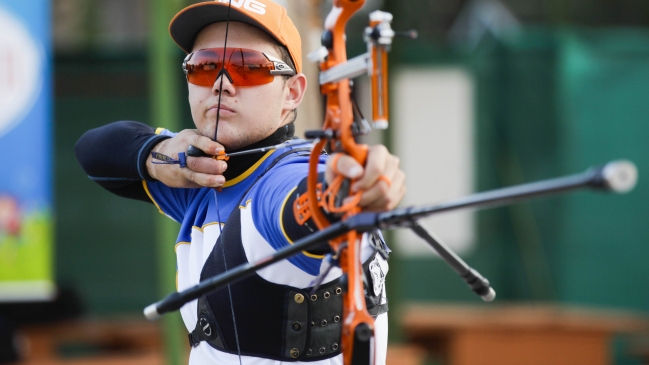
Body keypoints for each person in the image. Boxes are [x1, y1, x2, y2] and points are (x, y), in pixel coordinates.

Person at [75, 1, 406, 364]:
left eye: (248, 67)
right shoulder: (200, 177)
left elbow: (305, 205)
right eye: (203, 66)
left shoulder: (287, 178)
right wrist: (158, 154)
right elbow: (92, 150)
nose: (220, 84)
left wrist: (350, 190)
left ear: (293, 93)